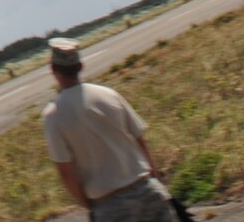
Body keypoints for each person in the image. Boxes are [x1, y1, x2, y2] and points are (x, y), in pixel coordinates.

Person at [40, 38, 176, 221]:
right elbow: (141, 141)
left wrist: (89, 205)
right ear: (80, 66)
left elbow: (66, 173)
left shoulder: (54, 115)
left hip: (111, 204)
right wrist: (156, 182)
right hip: (147, 188)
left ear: (53, 70)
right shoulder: (108, 94)